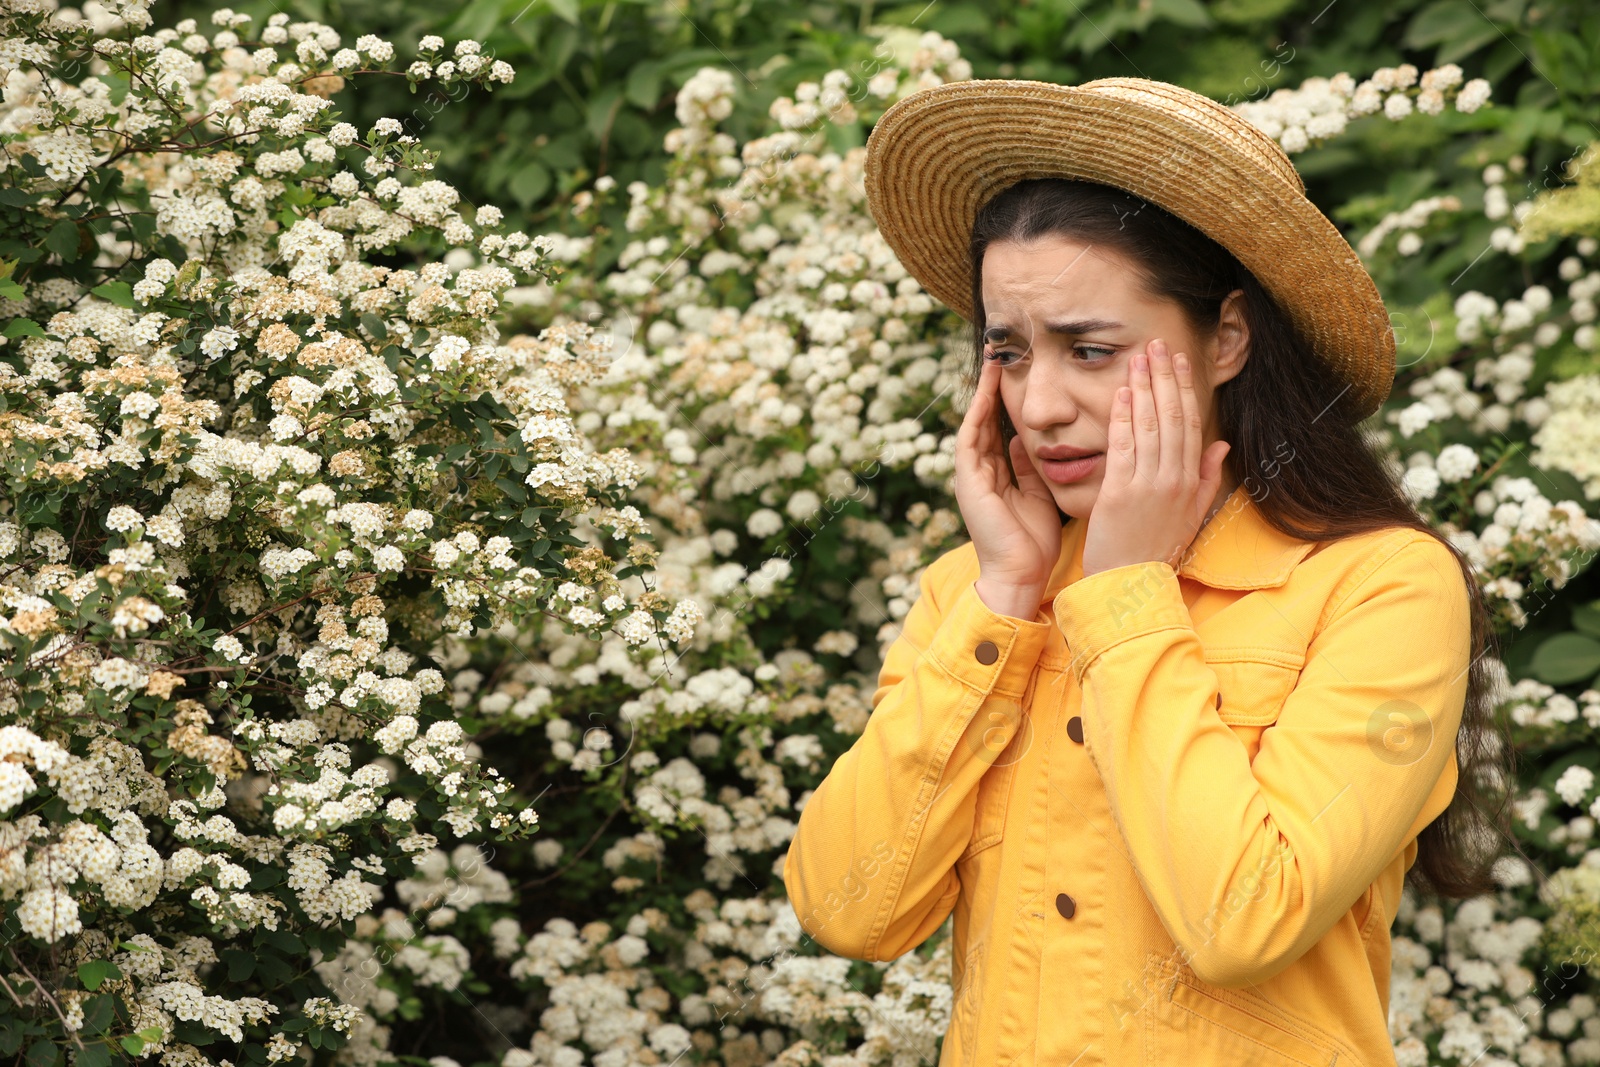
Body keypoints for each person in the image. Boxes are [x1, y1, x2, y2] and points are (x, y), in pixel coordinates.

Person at [781, 77, 1524, 1067]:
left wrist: (1126, 600)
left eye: (1090, 349)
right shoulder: (976, 593)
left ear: (1225, 338)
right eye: (1007, 351)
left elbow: (1241, 920)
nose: (1037, 403)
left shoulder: (1380, 585)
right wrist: (1003, 598)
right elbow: (846, 908)